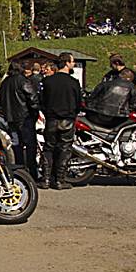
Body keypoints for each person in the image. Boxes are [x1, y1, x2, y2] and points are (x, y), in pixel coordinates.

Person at [40, 53, 81, 190]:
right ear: (67, 63)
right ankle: (59, 180)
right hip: (68, 119)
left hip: (51, 119)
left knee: (48, 148)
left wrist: (47, 113)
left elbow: (42, 101)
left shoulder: (48, 81)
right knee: (65, 149)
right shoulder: (74, 82)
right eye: (73, 61)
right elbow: (78, 102)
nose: (74, 64)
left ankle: (45, 179)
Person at [0, 61, 40, 179]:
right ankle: (32, 172)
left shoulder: (5, 83)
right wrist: (35, 112)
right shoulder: (23, 81)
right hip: (25, 118)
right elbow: (33, 98)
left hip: (11, 118)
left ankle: (19, 170)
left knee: (16, 145)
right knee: (30, 145)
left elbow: (0, 101)